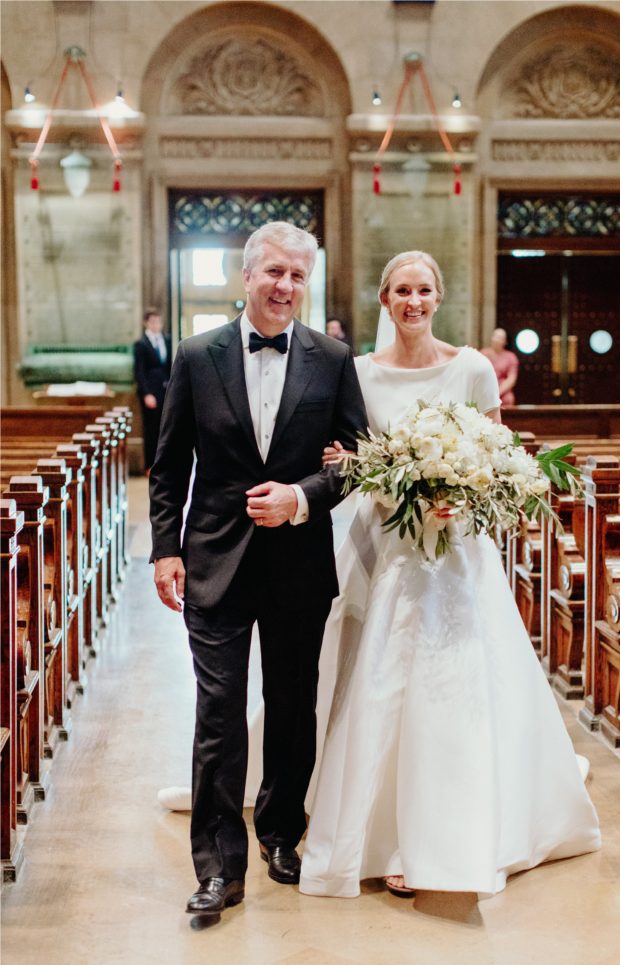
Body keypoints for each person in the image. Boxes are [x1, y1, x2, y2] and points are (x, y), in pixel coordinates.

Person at [298, 251, 601, 899]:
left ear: (438, 297)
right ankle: (372, 824)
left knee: (454, 679)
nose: (413, 301)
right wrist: (368, 474)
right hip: (383, 543)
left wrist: (459, 495)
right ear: (384, 300)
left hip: (457, 547)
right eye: (401, 291)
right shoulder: (357, 373)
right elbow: (348, 457)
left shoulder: (470, 367)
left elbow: (495, 453)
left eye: (424, 290)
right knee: (375, 677)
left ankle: (443, 831)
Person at [149, 221, 367, 917]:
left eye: (298, 276)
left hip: (298, 562)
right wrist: (164, 548)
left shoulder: (332, 358)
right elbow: (168, 463)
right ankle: (217, 866)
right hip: (213, 557)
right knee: (217, 714)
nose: (285, 286)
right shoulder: (196, 354)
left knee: (292, 707)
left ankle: (280, 833)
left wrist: (301, 498)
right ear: (245, 277)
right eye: (273, 272)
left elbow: (357, 462)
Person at [133, 308, 172, 473]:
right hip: (151, 391)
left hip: (165, 388)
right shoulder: (141, 344)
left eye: (159, 321)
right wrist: (146, 393)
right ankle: (150, 464)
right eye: (153, 321)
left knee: (166, 427)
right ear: (146, 323)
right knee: (151, 429)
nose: (157, 325)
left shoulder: (168, 340)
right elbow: (139, 371)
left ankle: (165, 463)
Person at [481, 326, 519, 407]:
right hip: (484, 390)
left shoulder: (511, 357)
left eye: (500, 338)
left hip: (503, 393)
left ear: (505, 341)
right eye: (495, 336)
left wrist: (498, 392)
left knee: (508, 399)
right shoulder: (482, 354)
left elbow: (512, 378)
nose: (496, 339)